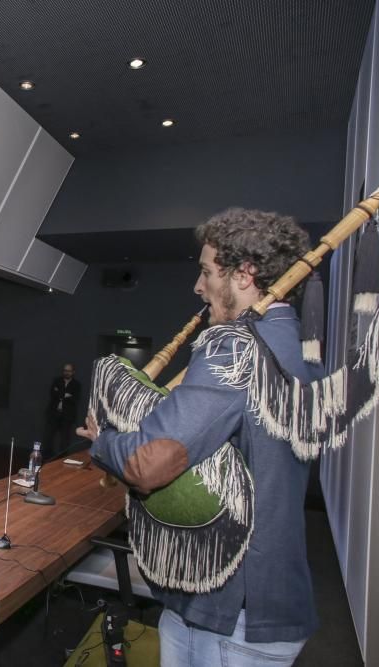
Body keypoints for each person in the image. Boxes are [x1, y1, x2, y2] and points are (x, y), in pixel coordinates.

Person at [79, 208, 319, 664]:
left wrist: (103, 441)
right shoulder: (295, 346)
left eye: (207, 272)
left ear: (245, 275)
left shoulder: (235, 348)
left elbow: (149, 463)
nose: (198, 286)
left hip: (234, 614)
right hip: (245, 603)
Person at [43, 363, 81, 459]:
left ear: (73, 372)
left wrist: (60, 393)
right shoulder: (57, 381)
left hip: (67, 416)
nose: (66, 373)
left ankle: (62, 458)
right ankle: (47, 458)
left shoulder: (76, 385)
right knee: (48, 437)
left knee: (65, 440)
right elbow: (52, 394)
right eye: (65, 370)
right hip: (54, 414)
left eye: (68, 371)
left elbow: (75, 399)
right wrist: (66, 395)